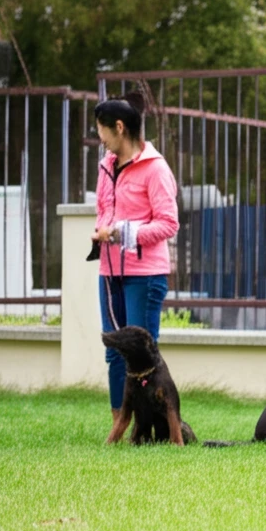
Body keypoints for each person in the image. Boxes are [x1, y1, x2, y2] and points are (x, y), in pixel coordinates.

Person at [90, 91, 179, 427]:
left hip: (145, 274)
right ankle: (119, 421)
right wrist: (101, 230)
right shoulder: (106, 167)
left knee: (143, 355)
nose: (99, 138)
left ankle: (152, 424)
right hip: (109, 270)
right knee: (113, 349)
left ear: (119, 127)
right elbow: (103, 211)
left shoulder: (155, 169)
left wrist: (125, 232)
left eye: (101, 130)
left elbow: (169, 223)